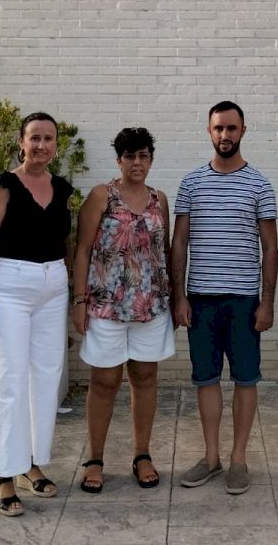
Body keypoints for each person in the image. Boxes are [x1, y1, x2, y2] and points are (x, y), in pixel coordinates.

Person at [171, 100, 278, 496]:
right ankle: (212, 456)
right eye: (218, 128)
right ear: (209, 131)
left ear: (243, 131)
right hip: (200, 299)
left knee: (246, 380)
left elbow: (271, 248)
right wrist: (179, 296)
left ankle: (238, 460)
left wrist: (267, 302)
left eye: (232, 128)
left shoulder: (260, 184)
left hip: (244, 301)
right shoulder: (191, 183)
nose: (225, 135)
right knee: (206, 379)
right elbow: (179, 243)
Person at [0, 112, 73, 516]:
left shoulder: (62, 187)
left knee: (44, 378)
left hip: (53, 286)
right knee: (7, 380)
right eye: (34, 137)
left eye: (48, 138)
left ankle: (28, 462)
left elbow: (67, 241)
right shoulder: (4, 186)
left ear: (56, 145)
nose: (41, 145)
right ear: (21, 142)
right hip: (10, 286)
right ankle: (1, 473)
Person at [71, 127, 175, 494]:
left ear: (151, 160)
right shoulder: (102, 196)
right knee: (104, 381)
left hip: (150, 306)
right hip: (106, 306)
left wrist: (175, 299)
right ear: (119, 160)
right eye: (129, 156)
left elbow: (165, 253)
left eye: (143, 155)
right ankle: (95, 459)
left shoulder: (160, 200)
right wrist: (79, 301)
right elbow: (82, 249)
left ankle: (142, 455)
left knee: (145, 378)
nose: (137, 162)